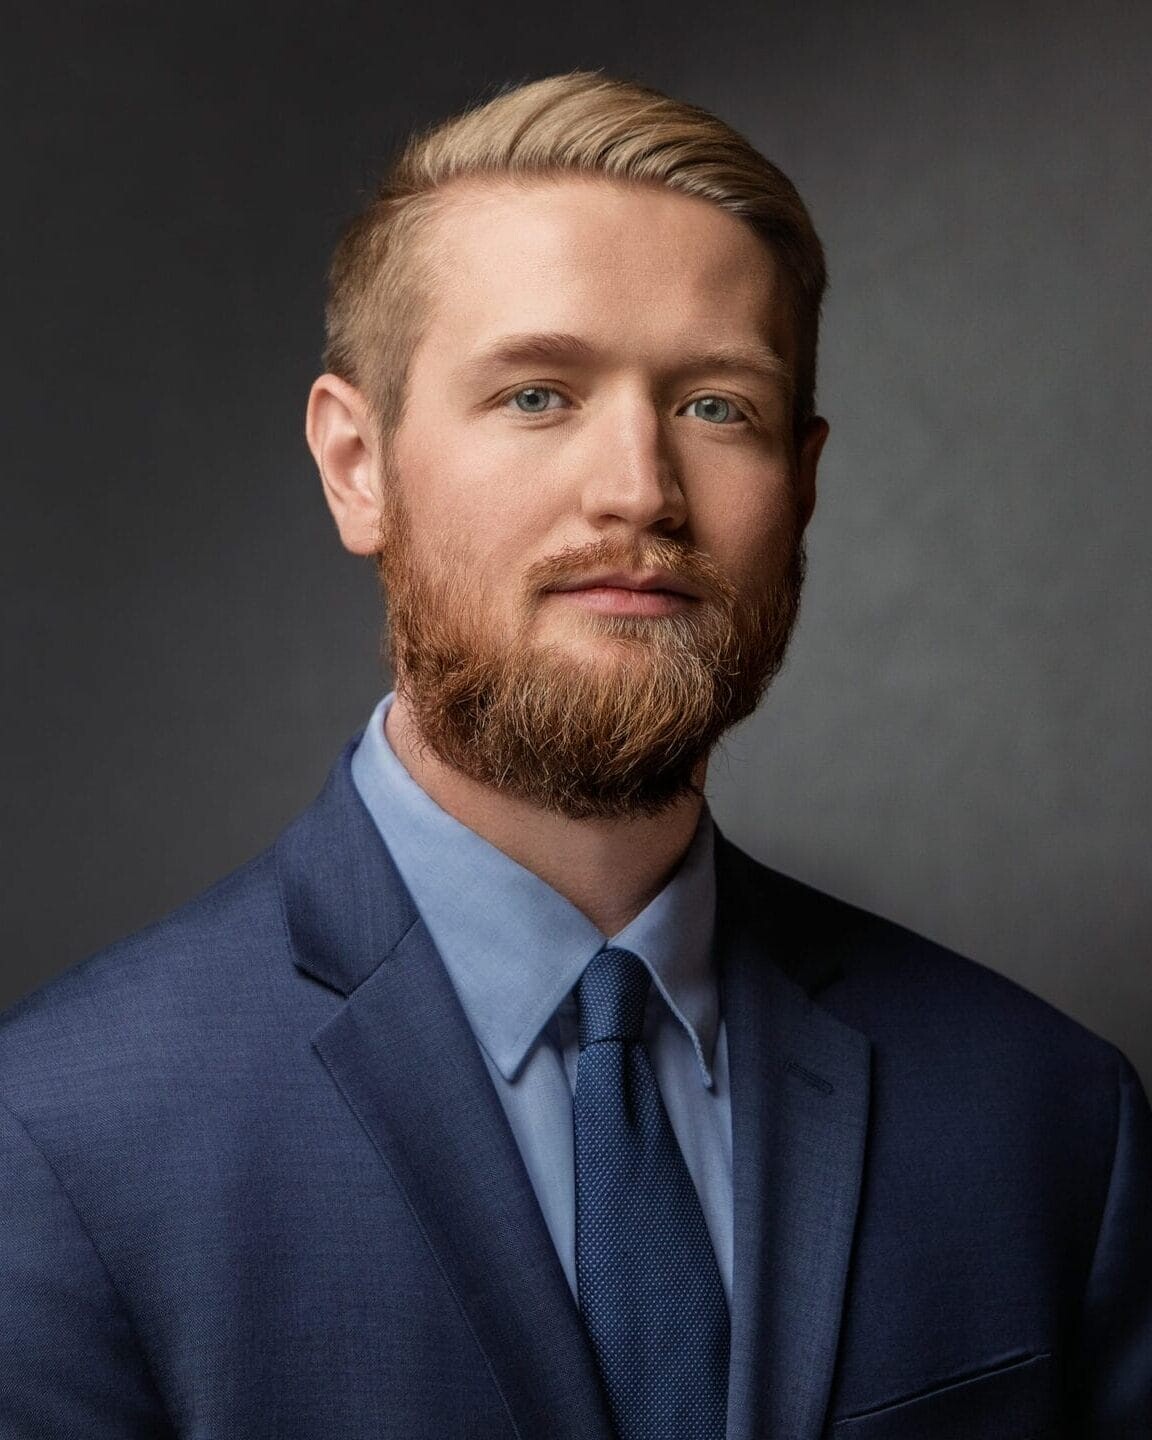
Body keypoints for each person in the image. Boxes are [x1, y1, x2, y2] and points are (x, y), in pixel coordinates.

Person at [1, 70, 1148, 1440]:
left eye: (718, 407)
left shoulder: (1048, 1120)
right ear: (358, 466)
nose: (639, 490)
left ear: (807, 482)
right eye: (539, 393)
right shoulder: (56, 1139)